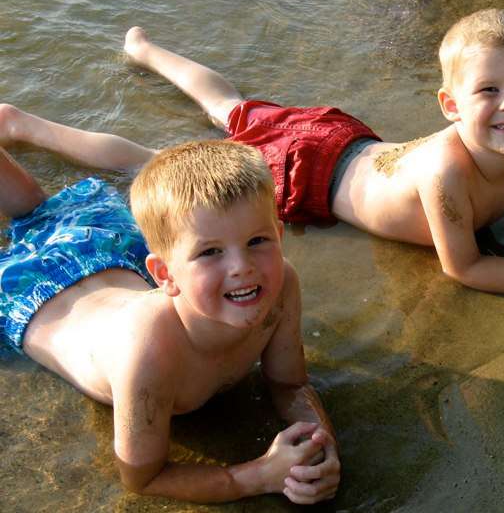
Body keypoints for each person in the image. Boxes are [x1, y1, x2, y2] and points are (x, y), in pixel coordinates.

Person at [0, 8, 504, 308]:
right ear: (449, 105)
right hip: (305, 175)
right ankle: (27, 123)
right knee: (159, 162)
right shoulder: (446, 170)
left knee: (234, 109)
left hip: (345, 142)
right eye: (487, 91)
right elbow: (463, 266)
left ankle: (143, 50)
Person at [0, 139, 340, 504]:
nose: (242, 267)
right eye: (211, 251)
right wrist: (256, 477)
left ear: (279, 236)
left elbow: (290, 384)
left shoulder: (282, 284)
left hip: (102, 247)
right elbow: (141, 476)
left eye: (257, 240)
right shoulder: (148, 349)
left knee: (37, 207)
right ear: (165, 275)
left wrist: (321, 446)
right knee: (33, 208)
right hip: (29, 295)